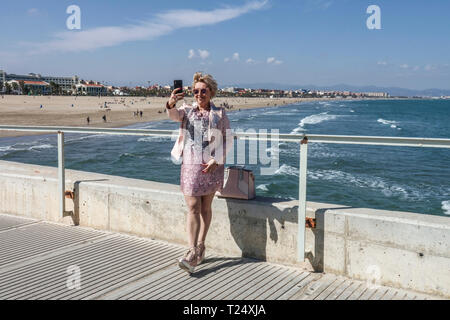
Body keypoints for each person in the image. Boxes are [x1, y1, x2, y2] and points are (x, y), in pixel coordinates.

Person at [166, 72, 231, 274]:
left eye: (203, 91)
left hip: (211, 166)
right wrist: (171, 104)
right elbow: (173, 116)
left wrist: (217, 160)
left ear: (211, 92)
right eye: (196, 91)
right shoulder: (186, 110)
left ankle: (201, 246)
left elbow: (228, 139)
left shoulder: (219, 113)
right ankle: (192, 251)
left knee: (205, 207)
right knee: (193, 205)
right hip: (190, 165)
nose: (199, 94)